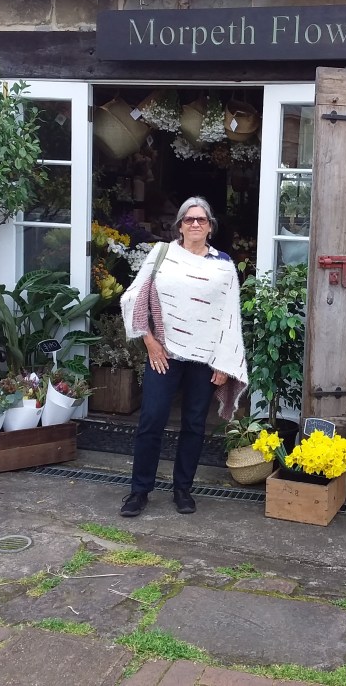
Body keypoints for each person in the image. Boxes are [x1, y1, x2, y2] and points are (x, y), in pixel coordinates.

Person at [119, 196, 248, 516]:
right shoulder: (162, 254)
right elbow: (134, 297)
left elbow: (229, 317)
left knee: (194, 424)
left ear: (210, 227)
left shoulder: (223, 265)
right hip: (164, 354)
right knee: (151, 419)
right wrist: (149, 341)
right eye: (189, 219)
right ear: (179, 225)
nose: (195, 224)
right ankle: (139, 491)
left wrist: (224, 362)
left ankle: (183, 490)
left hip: (204, 360)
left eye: (201, 219)